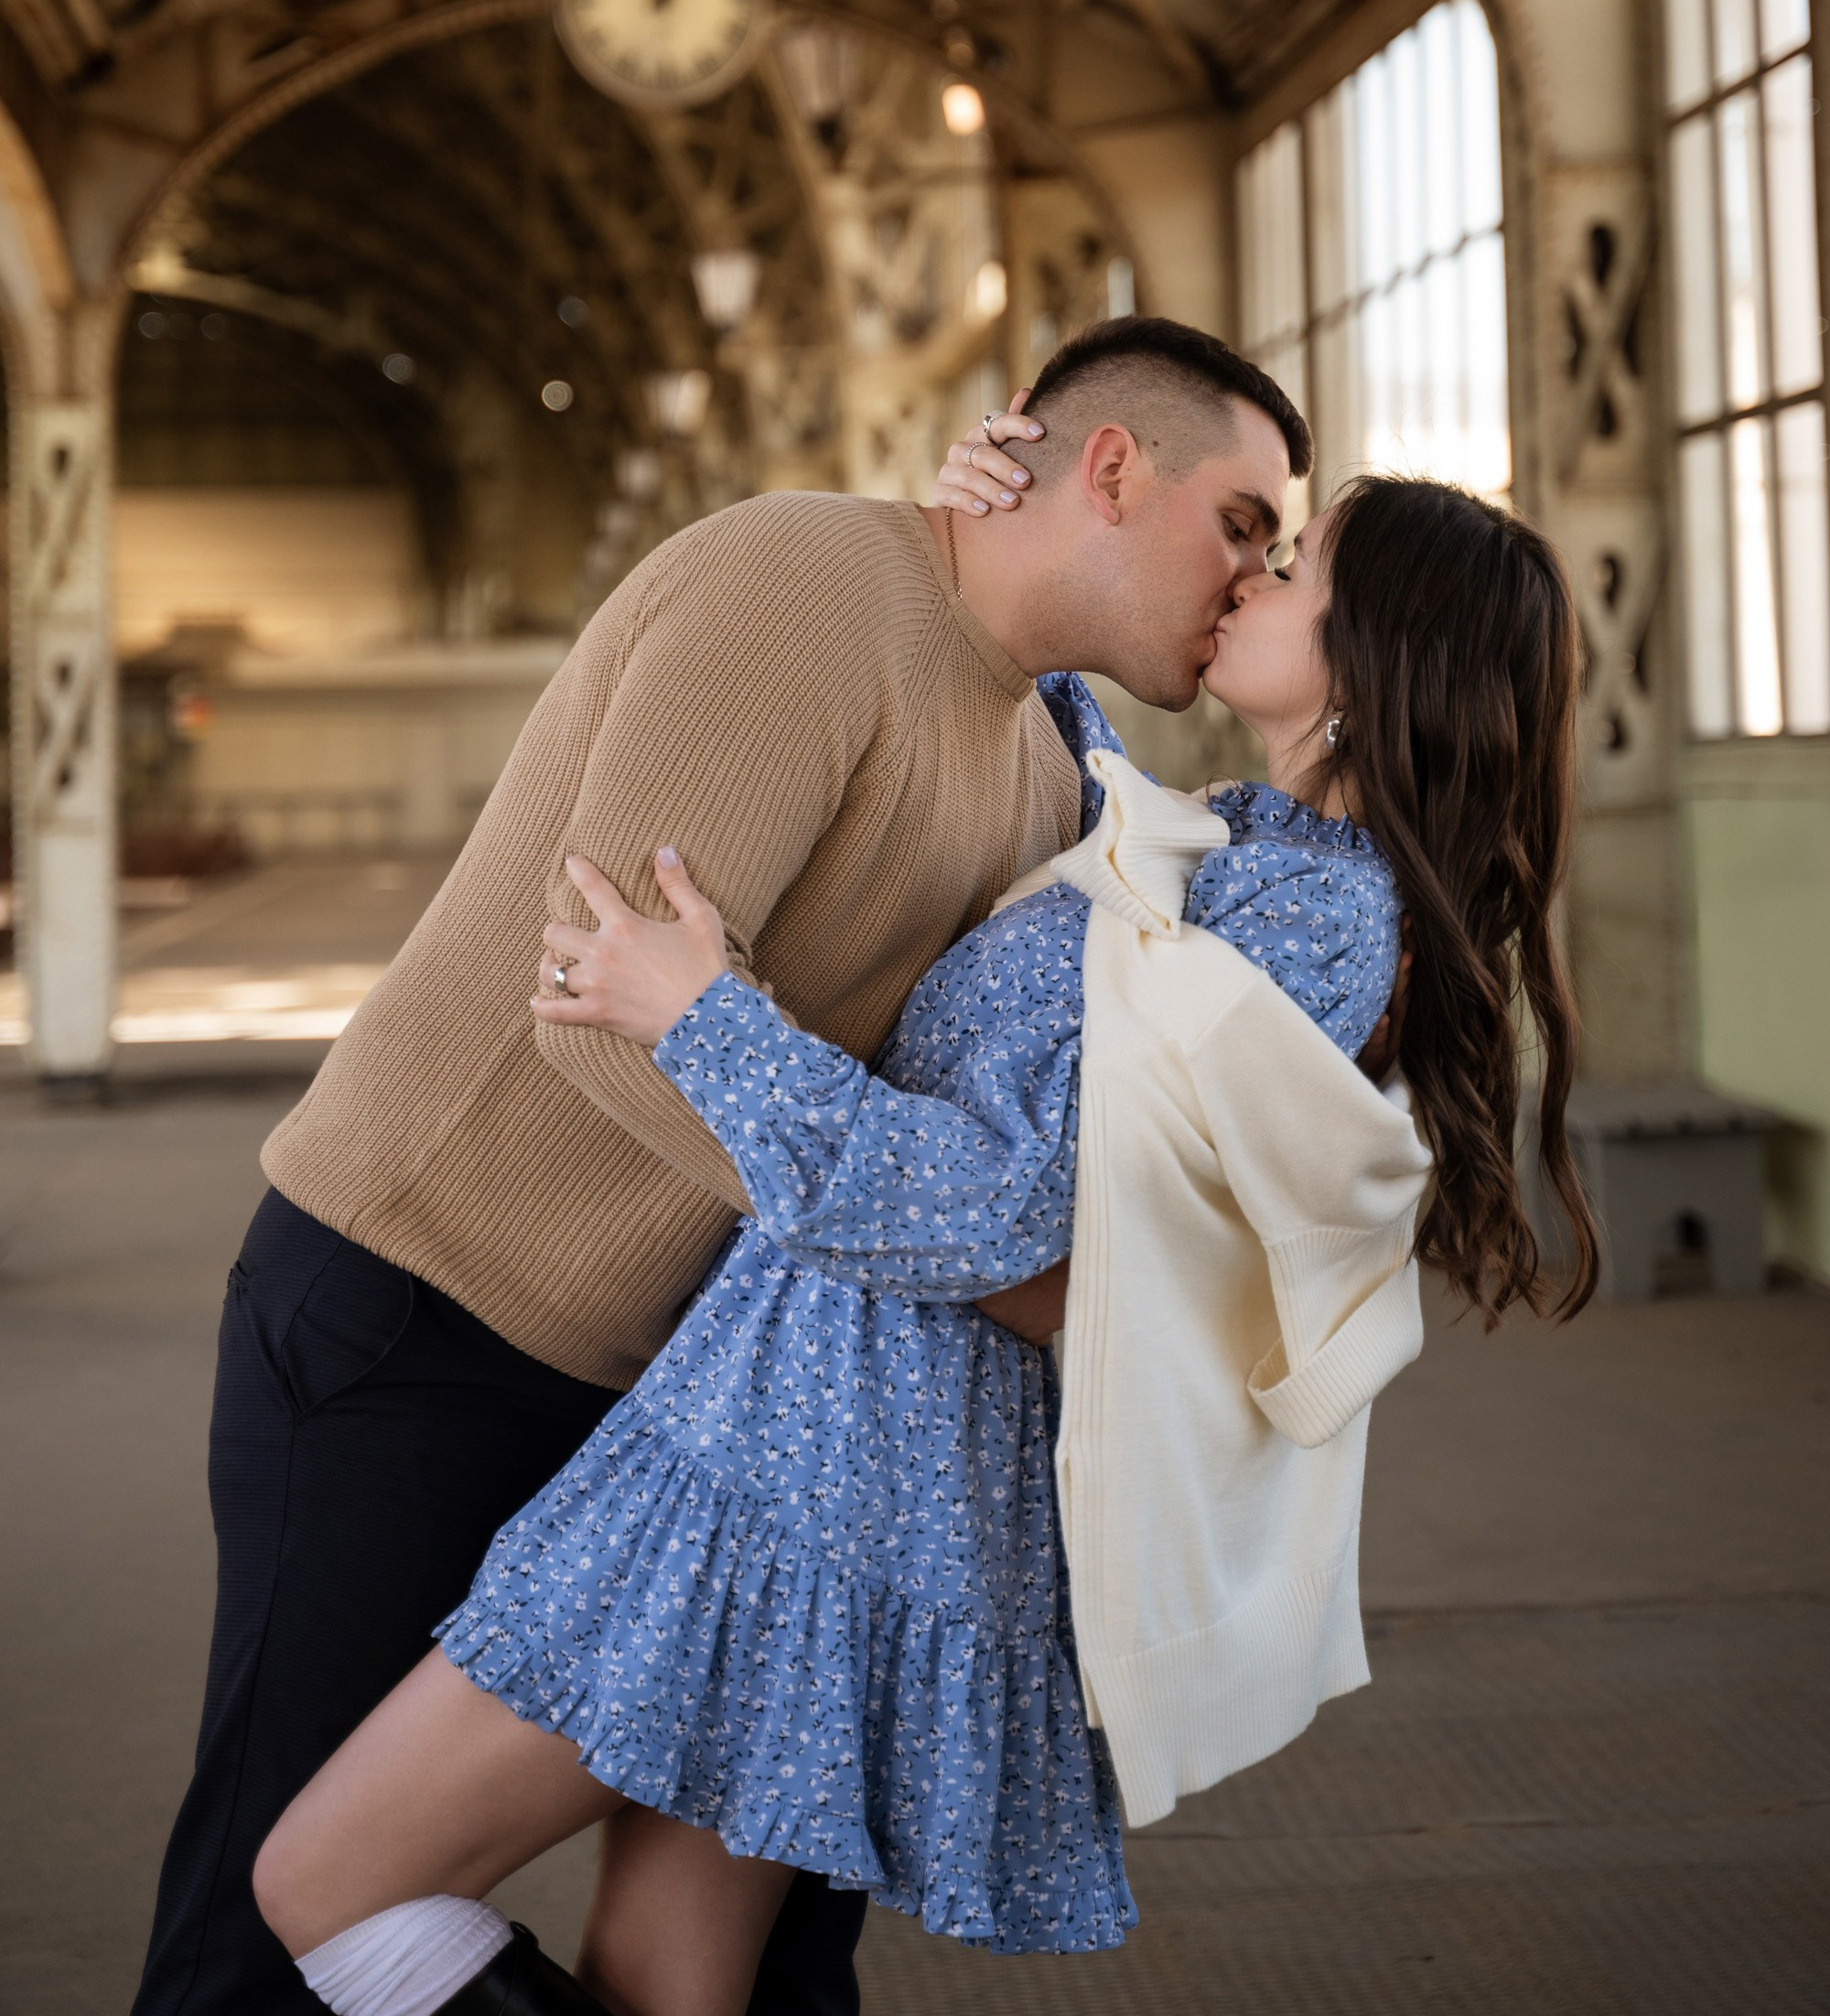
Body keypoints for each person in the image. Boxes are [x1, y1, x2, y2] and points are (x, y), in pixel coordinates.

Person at [250, 470, 1597, 2016]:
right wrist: (983, 538)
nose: (1252, 579)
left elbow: (1007, 1208)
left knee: (326, 1879)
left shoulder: (1315, 923)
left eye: (1296, 568)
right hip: (797, 1440)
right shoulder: (1235, 844)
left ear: (1381, 655)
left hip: (823, 1481)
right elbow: (1069, 780)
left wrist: (705, 1026)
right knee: (662, 1982)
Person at [132, 316, 1310, 2016]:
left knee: (759, 1955)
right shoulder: (797, 593)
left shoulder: (1054, 751)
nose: (1248, 576)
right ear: (1113, 468)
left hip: (701, 1395)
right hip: (424, 1320)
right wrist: (974, 1257)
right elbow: (599, 1012)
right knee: (272, 1937)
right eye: (1243, 524)